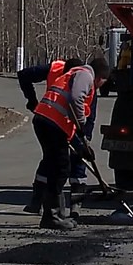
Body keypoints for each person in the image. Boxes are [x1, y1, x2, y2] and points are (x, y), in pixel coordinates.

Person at [30, 57, 111, 229]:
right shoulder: (85, 75)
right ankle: (52, 216)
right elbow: (75, 98)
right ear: (100, 77)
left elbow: (68, 121)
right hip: (50, 122)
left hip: (47, 120)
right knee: (61, 168)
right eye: (103, 82)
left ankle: (55, 215)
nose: (100, 86)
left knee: (57, 167)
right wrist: (82, 124)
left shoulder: (76, 74)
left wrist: (82, 148)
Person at [17, 57, 91, 215]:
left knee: (73, 159)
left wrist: (83, 146)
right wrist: (32, 100)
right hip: (51, 119)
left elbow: (85, 123)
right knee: (55, 161)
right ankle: (42, 203)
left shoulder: (86, 85)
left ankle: (73, 205)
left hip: (58, 121)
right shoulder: (56, 69)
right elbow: (23, 75)